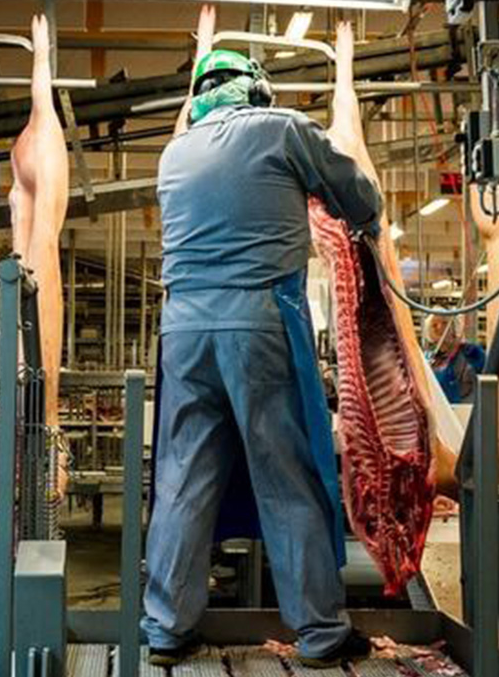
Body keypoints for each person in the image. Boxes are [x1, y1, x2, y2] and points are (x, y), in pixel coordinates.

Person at [141, 47, 381, 668]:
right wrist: (369, 219)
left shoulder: (174, 153)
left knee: (183, 476)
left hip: (183, 330)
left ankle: (165, 628)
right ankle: (321, 632)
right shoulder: (283, 129)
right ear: (256, 88)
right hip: (258, 320)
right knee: (287, 475)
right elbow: (355, 193)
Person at [423, 314, 485, 404]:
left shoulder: (471, 352)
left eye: (444, 323)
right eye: (434, 325)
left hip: (466, 408)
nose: (439, 328)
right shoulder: (427, 358)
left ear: (453, 327)